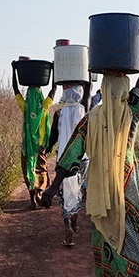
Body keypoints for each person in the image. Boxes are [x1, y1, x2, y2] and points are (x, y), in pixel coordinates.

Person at [42, 16, 139, 277]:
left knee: (104, 231)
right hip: (127, 183)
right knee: (131, 234)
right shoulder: (132, 108)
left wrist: (52, 188)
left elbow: (70, 155)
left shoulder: (91, 118)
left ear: (104, 88)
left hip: (100, 183)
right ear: (125, 87)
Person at [46, 83, 91, 246]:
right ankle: (75, 219)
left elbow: (53, 137)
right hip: (81, 158)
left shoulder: (59, 113)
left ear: (65, 94)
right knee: (77, 188)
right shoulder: (84, 110)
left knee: (63, 192)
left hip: (63, 160)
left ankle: (67, 226)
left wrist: (47, 149)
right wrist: (87, 78)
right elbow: (88, 92)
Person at [12, 60, 57, 210]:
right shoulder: (44, 106)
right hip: (41, 146)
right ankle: (40, 193)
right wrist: (53, 70)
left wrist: (14, 70)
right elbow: (54, 89)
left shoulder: (25, 107)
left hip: (28, 147)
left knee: (29, 171)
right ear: (39, 96)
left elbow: (15, 89)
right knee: (41, 170)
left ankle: (33, 200)